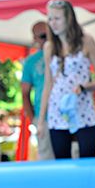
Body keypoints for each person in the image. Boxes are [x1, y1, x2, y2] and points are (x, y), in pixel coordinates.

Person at [38, 0, 95, 159]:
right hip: (58, 111)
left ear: (68, 19)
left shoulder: (86, 41)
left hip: (82, 109)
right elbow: (48, 84)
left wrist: (84, 87)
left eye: (57, 18)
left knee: (88, 158)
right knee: (62, 161)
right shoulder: (49, 47)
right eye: (50, 19)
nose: (52, 23)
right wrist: (41, 121)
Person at [21, 21, 54, 160]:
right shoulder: (31, 62)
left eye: (48, 35)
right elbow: (25, 93)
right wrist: (33, 119)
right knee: (47, 157)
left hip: (66, 115)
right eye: (42, 36)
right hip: (44, 117)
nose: (47, 39)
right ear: (35, 39)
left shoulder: (63, 53)